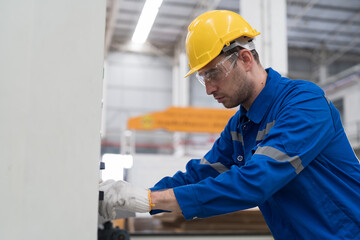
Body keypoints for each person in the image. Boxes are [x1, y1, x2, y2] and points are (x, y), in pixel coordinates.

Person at [99, 10, 360, 239]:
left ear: (246, 59)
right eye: (203, 78)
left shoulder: (304, 103)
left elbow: (257, 181)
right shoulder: (240, 126)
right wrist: (134, 195)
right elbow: (199, 175)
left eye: (214, 73)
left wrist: (149, 200)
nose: (210, 88)